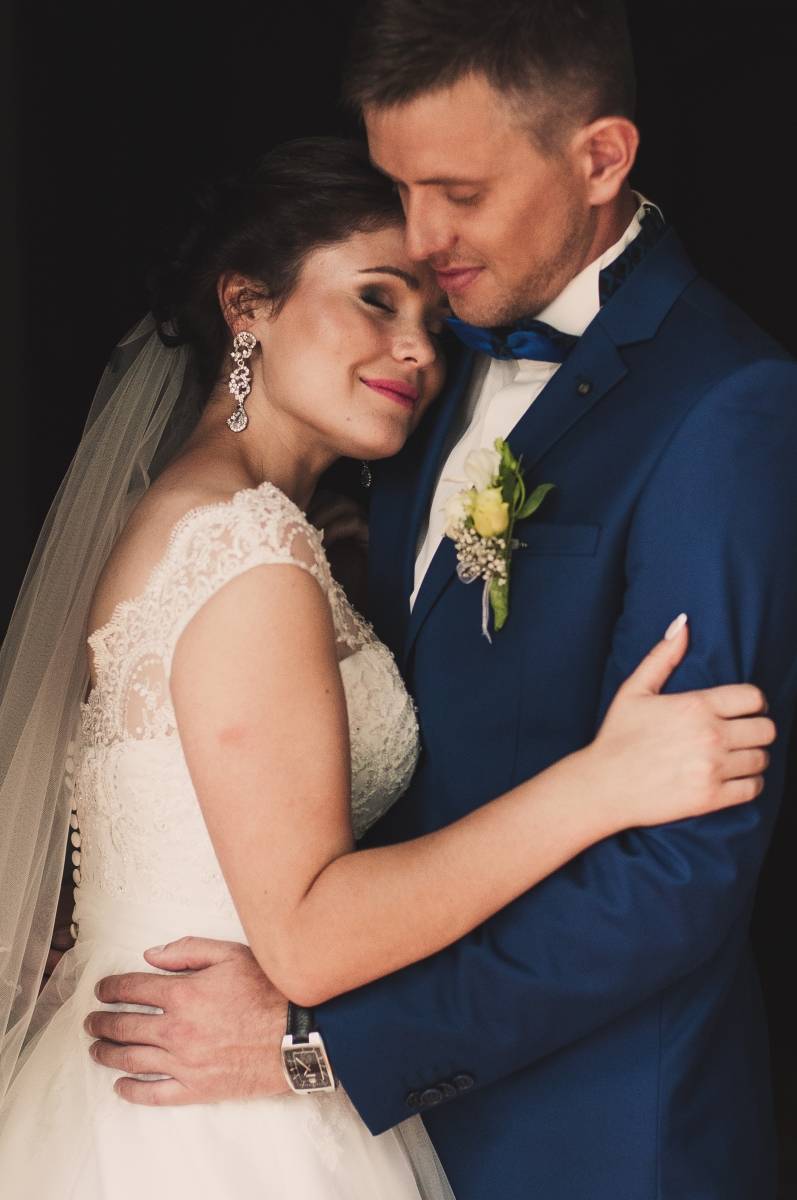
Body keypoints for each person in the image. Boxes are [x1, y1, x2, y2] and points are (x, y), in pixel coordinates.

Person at [78, 3, 797, 1199]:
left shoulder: (721, 407)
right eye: (398, 188)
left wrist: (323, 1048)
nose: (421, 239)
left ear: (599, 158)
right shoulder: (418, 376)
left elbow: (678, 874)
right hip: (292, 1110)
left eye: (455, 192)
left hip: (589, 1139)